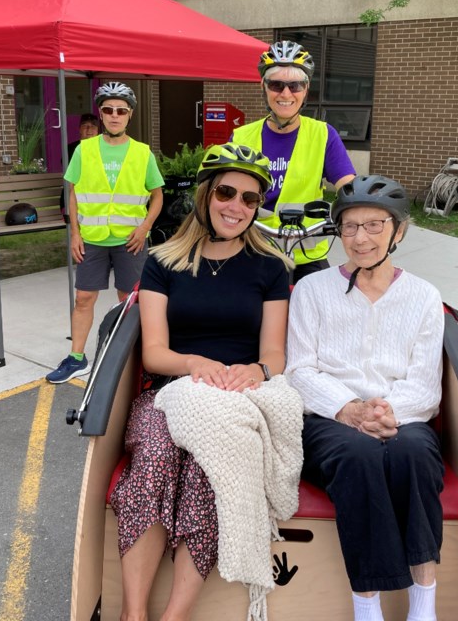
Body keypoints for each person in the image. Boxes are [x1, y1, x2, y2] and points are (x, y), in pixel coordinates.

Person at [109, 143, 295, 620]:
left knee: (207, 475)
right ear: (206, 196)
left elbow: (273, 353)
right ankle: (134, 613)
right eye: (226, 192)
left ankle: (174, 616)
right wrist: (194, 364)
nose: (236, 206)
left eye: (250, 199)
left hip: (235, 394)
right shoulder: (163, 262)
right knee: (151, 458)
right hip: (170, 391)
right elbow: (154, 353)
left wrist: (258, 370)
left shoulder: (270, 268)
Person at [285, 175, 446, 621]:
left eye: (375, 225)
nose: (361, 238)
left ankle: (423, 602)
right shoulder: (313, 291)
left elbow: (425, 384)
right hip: (328, 418)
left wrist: (386, 412)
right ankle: (367, 606)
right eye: (350, 227)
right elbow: (299, 370)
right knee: (358, 455)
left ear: (398, 231)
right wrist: (350, 410)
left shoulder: (424, 297)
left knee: (413, 453)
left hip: (402, 416)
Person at [46, 82, 164, 383]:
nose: (115, 116)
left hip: (130, 241)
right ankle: (76, 358)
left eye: (121, 111)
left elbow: (158, 195)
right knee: (84, 297)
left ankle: (131, 357)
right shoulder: (84, 150)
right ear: (101, 114)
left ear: (130, 115)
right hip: (92, 240)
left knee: (129, 300)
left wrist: (145, 228)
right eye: (109, 110)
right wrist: (74, 233)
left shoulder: (142, 152)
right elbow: (72, 193)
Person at [232, 40, 356, 284]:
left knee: (320, 311)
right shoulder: (241, 136)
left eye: (295, 85)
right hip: (254, 248)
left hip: (307, 253)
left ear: (306, 89)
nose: (286, 94)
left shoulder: (323, 134)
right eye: (276, 85)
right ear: (264, 87)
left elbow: (348, 185)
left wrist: (359, 213)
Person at [60, 112, 101, 215]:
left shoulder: (103, 149)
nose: (89, 130)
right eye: (85, 126)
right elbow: (70, 174)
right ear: (79, 129)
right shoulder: (70, 149)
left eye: (93, 126)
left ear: (97, 130)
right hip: (75, 196)